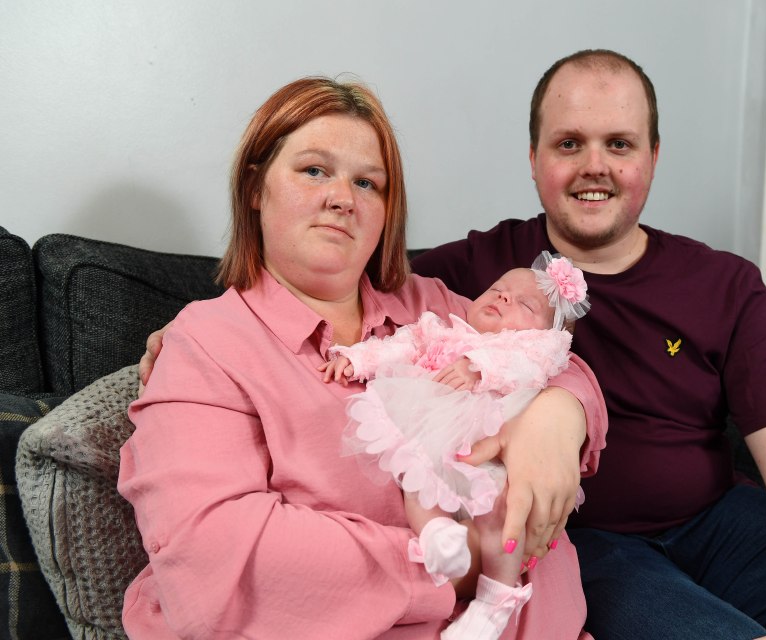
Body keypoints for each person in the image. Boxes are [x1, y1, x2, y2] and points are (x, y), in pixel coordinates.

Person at [140, 51, 766, 639]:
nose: (594, 166)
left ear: (652, 158)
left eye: (620, 143)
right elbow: (303, 289)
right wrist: (177, 336)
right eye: (569, 143)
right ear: (533, 161)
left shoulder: (722, 283)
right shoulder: (468, 272)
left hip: (712, 521)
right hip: (591, 557)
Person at [121, 76, 607, 639]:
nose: (342, 198)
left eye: (368, 183)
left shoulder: (430, 303)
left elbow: (546, 352)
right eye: (314, 170)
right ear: (255, 187)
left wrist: (557, 417)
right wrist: (463, 564)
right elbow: (216, 551)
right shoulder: (207, 344)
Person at [322, 252, 590, 640]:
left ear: (545, 332)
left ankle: (496, 597)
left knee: (502, 511)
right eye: (497, 290)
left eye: (524, 304)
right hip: (435, 429)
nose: (502, 298)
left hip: (491, 445)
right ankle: (436, 535)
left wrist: (477, 364)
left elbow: (535, 365)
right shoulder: (443, 328)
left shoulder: (534, 349)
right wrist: (357, 359)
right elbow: (401, 344)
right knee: (416, 472)